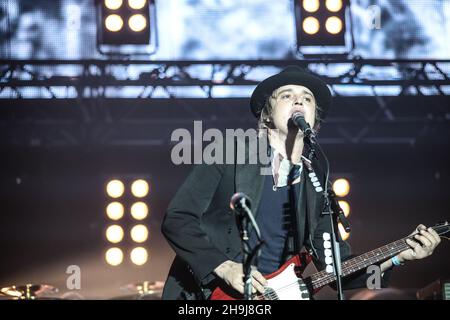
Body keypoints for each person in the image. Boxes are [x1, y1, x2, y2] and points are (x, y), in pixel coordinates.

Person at [161, 66, 442, 300]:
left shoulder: (315, 180)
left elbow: (339, 273)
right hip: (207, 295)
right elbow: (177, 219)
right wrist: (224, 267)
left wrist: (398, 257)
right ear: (267, 114)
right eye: (287, 95)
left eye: (307, 99)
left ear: (314, 120)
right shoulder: (231, 151)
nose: (299, 101)